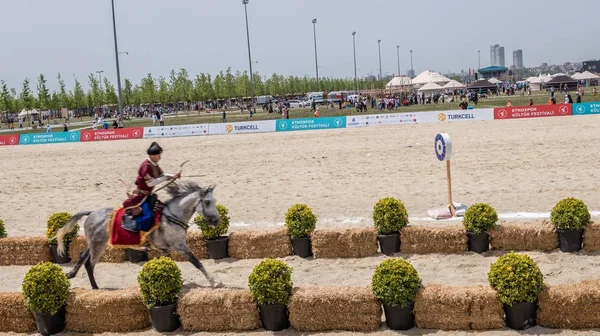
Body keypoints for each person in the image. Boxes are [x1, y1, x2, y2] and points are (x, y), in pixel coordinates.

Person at [121, 142, 181, 232]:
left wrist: (173, 176)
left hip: (147, 195)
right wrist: (164, 178)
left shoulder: (153, 164)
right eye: (158, 155)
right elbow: (150, 183)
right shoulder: (146, 166)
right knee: (147, 217)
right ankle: (136, 230)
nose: (160, 157)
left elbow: (162, 175)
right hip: (141, 196)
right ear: (153, 155)